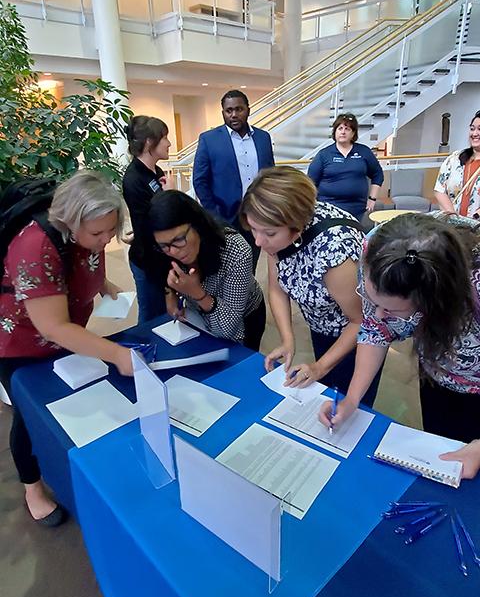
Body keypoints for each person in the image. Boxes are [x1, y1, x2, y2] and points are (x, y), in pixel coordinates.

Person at [0, 170, 133, 526]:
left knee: (66, 401)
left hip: (69, 329)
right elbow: (52, 326)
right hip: (21, 341)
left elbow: (82, 264)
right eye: (97, 233)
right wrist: (117, 354)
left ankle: (63, 463)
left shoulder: (87, 237)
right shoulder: (34, 246)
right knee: (29, 414)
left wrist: (102, 283)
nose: (106, 240)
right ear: (70, 222)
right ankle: (32, 487)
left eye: (111, 230)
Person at [319, 212, 480, 446]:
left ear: (433, 300)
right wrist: (352, 399)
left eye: (391, 310)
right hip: (437, 371)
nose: (378, 314)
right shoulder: (376, 253)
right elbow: (375, 330)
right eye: (373, 301)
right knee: (444, 443)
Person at [239, 166, 382, 404]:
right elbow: (277, 288)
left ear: (296, 226)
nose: (258, 241)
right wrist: (288, 339)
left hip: (358, 336)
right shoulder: (277, 234)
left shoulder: (333, 251)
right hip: (322, 326)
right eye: (254, 229)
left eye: (269, 233)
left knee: (351, 404)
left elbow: (361, 320)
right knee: (325, 398)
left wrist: (320, 367)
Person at [149, 190, 266, 350]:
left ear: (197, 225)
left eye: (178, 239)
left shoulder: (235, 250)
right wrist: (170, 293)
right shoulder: (164, 249)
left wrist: (197, 293)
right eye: (164, 245)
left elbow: (229, 328)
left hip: (245, 315)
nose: (174, 251)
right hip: (200, 315)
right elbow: (151, 261)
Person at [193, 89, 275, 271]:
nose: (234, 115)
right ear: (223, 112)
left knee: (251, 262)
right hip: (224, 216)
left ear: (248, 110)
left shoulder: (263, 138)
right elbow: (200, 181)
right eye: (229, 111)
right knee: (227, 266)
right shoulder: (209, 140)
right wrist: (214, 215)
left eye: (239, 109)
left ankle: (249, 297)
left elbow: (270, 175)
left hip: (257, 213)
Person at [123, 115, 172, 323]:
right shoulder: (134, 178)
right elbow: (151, 224)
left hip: (163, 257)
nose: (169, 143)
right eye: (165, 138)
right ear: (150, 142)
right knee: (151, 319)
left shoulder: (156, 171)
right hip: (148, 261)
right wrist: (170, 196)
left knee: (167, 315)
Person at [307, 113, 384, 221]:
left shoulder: (364, 151)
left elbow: (378, 174)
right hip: (328, 208)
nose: (343, 132)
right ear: (335, 132)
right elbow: (310, 182)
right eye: (340, 128)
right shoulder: (324, 154)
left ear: (353, 133)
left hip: (357, 208)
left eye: (347, 129)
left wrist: (372, 198)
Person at [434, 110, 480, 219]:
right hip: (453, 228)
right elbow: (439, 189)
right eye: (472, 129)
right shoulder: (454, 158)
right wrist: (453, 217)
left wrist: (474, 218)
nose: (475, 133)